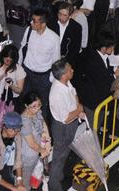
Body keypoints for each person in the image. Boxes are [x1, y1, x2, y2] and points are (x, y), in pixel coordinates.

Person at [47, 59, 84, 191]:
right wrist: (79, 110)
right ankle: (54, 185)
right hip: (63, 128)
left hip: (70, 123)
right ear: (63, 75)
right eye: (70, 70)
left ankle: (58, 175)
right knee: (59, 157)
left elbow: (73, 92)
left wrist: (77, 106)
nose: (72, 70)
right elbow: (66, 118)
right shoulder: (57, 93)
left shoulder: (65, 82)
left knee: (64, 153)